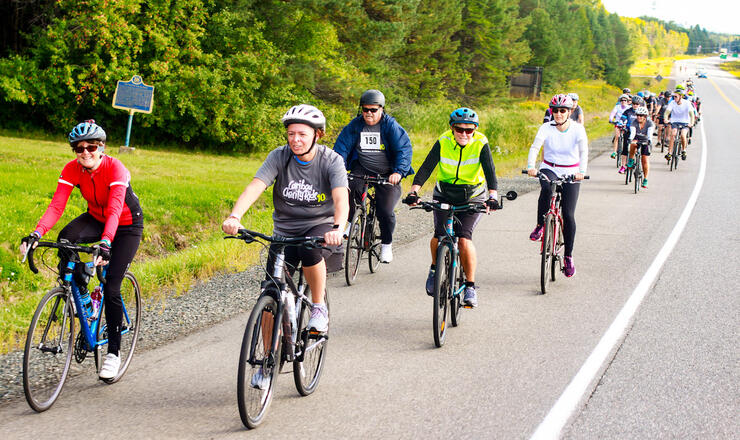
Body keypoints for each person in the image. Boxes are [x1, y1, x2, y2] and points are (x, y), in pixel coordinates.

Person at [19, 120, 144, 380]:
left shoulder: (115, 168)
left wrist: (106, 242)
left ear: (102, 147)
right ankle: (81, 294)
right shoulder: (72, 169)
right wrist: (36, 233)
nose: (85, 152)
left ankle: (113, 354)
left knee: (111, 286)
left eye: (91, 146)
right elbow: (56, 206)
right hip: (96, 218)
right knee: (65, 239)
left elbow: (115, 208)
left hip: (126, 225)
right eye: (79, 148)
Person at [222, 104, 348, 338]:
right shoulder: (279, 156)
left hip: (320, 227)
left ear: (317, 135)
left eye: (302, 134)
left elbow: (341, 199)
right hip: (284, 232)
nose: (295, 140)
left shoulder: (332, 161)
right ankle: (266, 364)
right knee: (270, 293)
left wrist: (338, 227)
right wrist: (234, 216)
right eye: (291, 134)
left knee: (309, 250)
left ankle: (318, 308)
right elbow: (256, 186)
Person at [404, 107, 499, 308]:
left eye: (469, 130)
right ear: (452, 128)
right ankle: (434, 269)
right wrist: (414, 191)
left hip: (472, 195)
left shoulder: (481, 142)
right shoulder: (444, 140)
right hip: (444, 193)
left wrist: (493, 196)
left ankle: (470, 286)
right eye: (459, 129)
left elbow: (490, 170)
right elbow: (427, 166)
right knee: (439, 236)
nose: (464, 134)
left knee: (464, 240)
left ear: (475, 130)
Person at [333, 89, 414, 263]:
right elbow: (341, 148)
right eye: (365, 109)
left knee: (385, 211)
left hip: (387, 172)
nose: (369, 113)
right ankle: (351, 222)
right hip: (362, 168)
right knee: (347, 188)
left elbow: (403, 149)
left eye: (373, 110)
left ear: (382, 109)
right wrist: (337, 169)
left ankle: (386, 244)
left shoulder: (390, 126)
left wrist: (398, 172)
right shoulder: (355, 126)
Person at [527, 94, 588, 277]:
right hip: (550, 168)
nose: (559, 114)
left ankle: (568, 256)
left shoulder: (577, 129)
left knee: (568, 214)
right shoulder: (546, 127)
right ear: (551, 111)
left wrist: (581, 172)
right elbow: (535, 147)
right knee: (546, 189)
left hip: (571, 171)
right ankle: (540, 225)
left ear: (569, 112)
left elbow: (584, 150)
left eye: (563, 110)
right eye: (555, 110)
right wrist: (531, 166)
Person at [664, 90, 695, 161]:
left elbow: (691, 114)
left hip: (685, 122)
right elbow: (667, 112)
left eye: (675, 96)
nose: (674, 98)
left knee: (683, 135)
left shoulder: (687, 103)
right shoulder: (672, 103)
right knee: (673, 134)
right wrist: (666, 119)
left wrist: (692, 123)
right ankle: (669, 153)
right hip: (675, 121)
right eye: (673, 96)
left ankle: (683, 150)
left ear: (681, 97)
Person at [628, 106, 654, 189]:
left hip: (645, 140)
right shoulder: (634, 122)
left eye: (641, 115)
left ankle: (645, 179)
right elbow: (633, 132)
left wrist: (649, 140)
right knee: (633, 144)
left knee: (645, 160)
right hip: (636, 138)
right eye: (638, 115)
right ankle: (631, 160)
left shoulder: (650, 123)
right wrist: (630, 139)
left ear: (645, 116)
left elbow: (650, 134)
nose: (639, 117)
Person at [616, 96, 641, 174]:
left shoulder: (642, 112)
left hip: (638, 133)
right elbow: (622, 119)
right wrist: (620, 124)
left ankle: (636, 161)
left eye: (637, 104)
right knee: (625, 148)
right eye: (634, 103)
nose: (635, 105)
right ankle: (623, 166)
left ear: (639, 105)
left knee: (636, 148)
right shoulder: (628, 111)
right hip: (628, 131)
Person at [609, 94, 631, 160]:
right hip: (618, 123)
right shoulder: (617, 107)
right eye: (622, 100)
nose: (623, 101)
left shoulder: (629, 108)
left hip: (625, 124)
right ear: (620, 101)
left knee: (626, 138)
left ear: (627, 101)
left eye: (625, 100)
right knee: (617, 136)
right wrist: (610, 119)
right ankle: (615, 152)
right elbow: (613, 113)